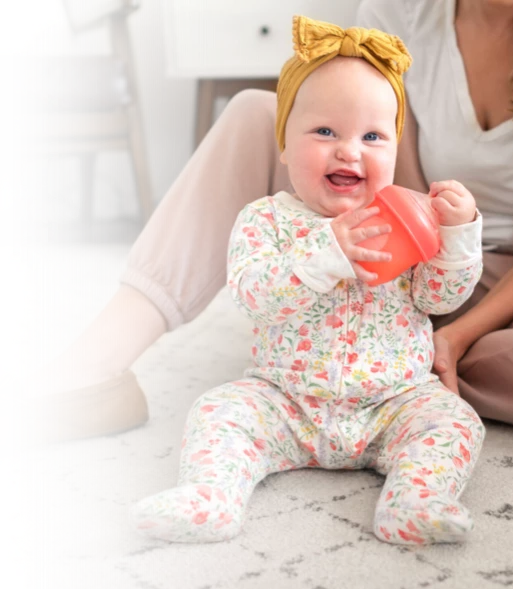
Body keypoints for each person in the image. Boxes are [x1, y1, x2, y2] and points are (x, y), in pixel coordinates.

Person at [20, 0, 513, 447]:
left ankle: (370, 365)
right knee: (255, 112)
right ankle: (93, 371)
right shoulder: (402, 10)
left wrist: (457, 337)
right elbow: (371, 165)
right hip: (399, 251)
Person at [129, 17, 485, 545]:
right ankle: (210, 499)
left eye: (372, 136)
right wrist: (326, 252)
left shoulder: (404, 219)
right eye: (325, 132)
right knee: (218, 411)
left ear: (394, 149)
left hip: (393, 400)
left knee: (455, 422)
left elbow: (439, 297)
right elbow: (255, 297)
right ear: (284, 146)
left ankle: (415, 502)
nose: (349, 150)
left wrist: (457, 237)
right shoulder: (265, 219)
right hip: (287, 400)